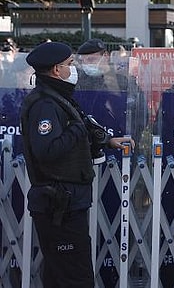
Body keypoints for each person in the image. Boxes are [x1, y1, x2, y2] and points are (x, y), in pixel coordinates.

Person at [19, 42, 133, 287]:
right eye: (70, 64)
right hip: (59, 204)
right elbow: (46, 150)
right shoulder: (45, 105)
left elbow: (77, 128)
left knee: (58, 274)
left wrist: (106, 141)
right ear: (56, 70)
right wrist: (77, 131)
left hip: (67, 202)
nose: (74, 68)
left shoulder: (58, 97)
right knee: (75, 277)